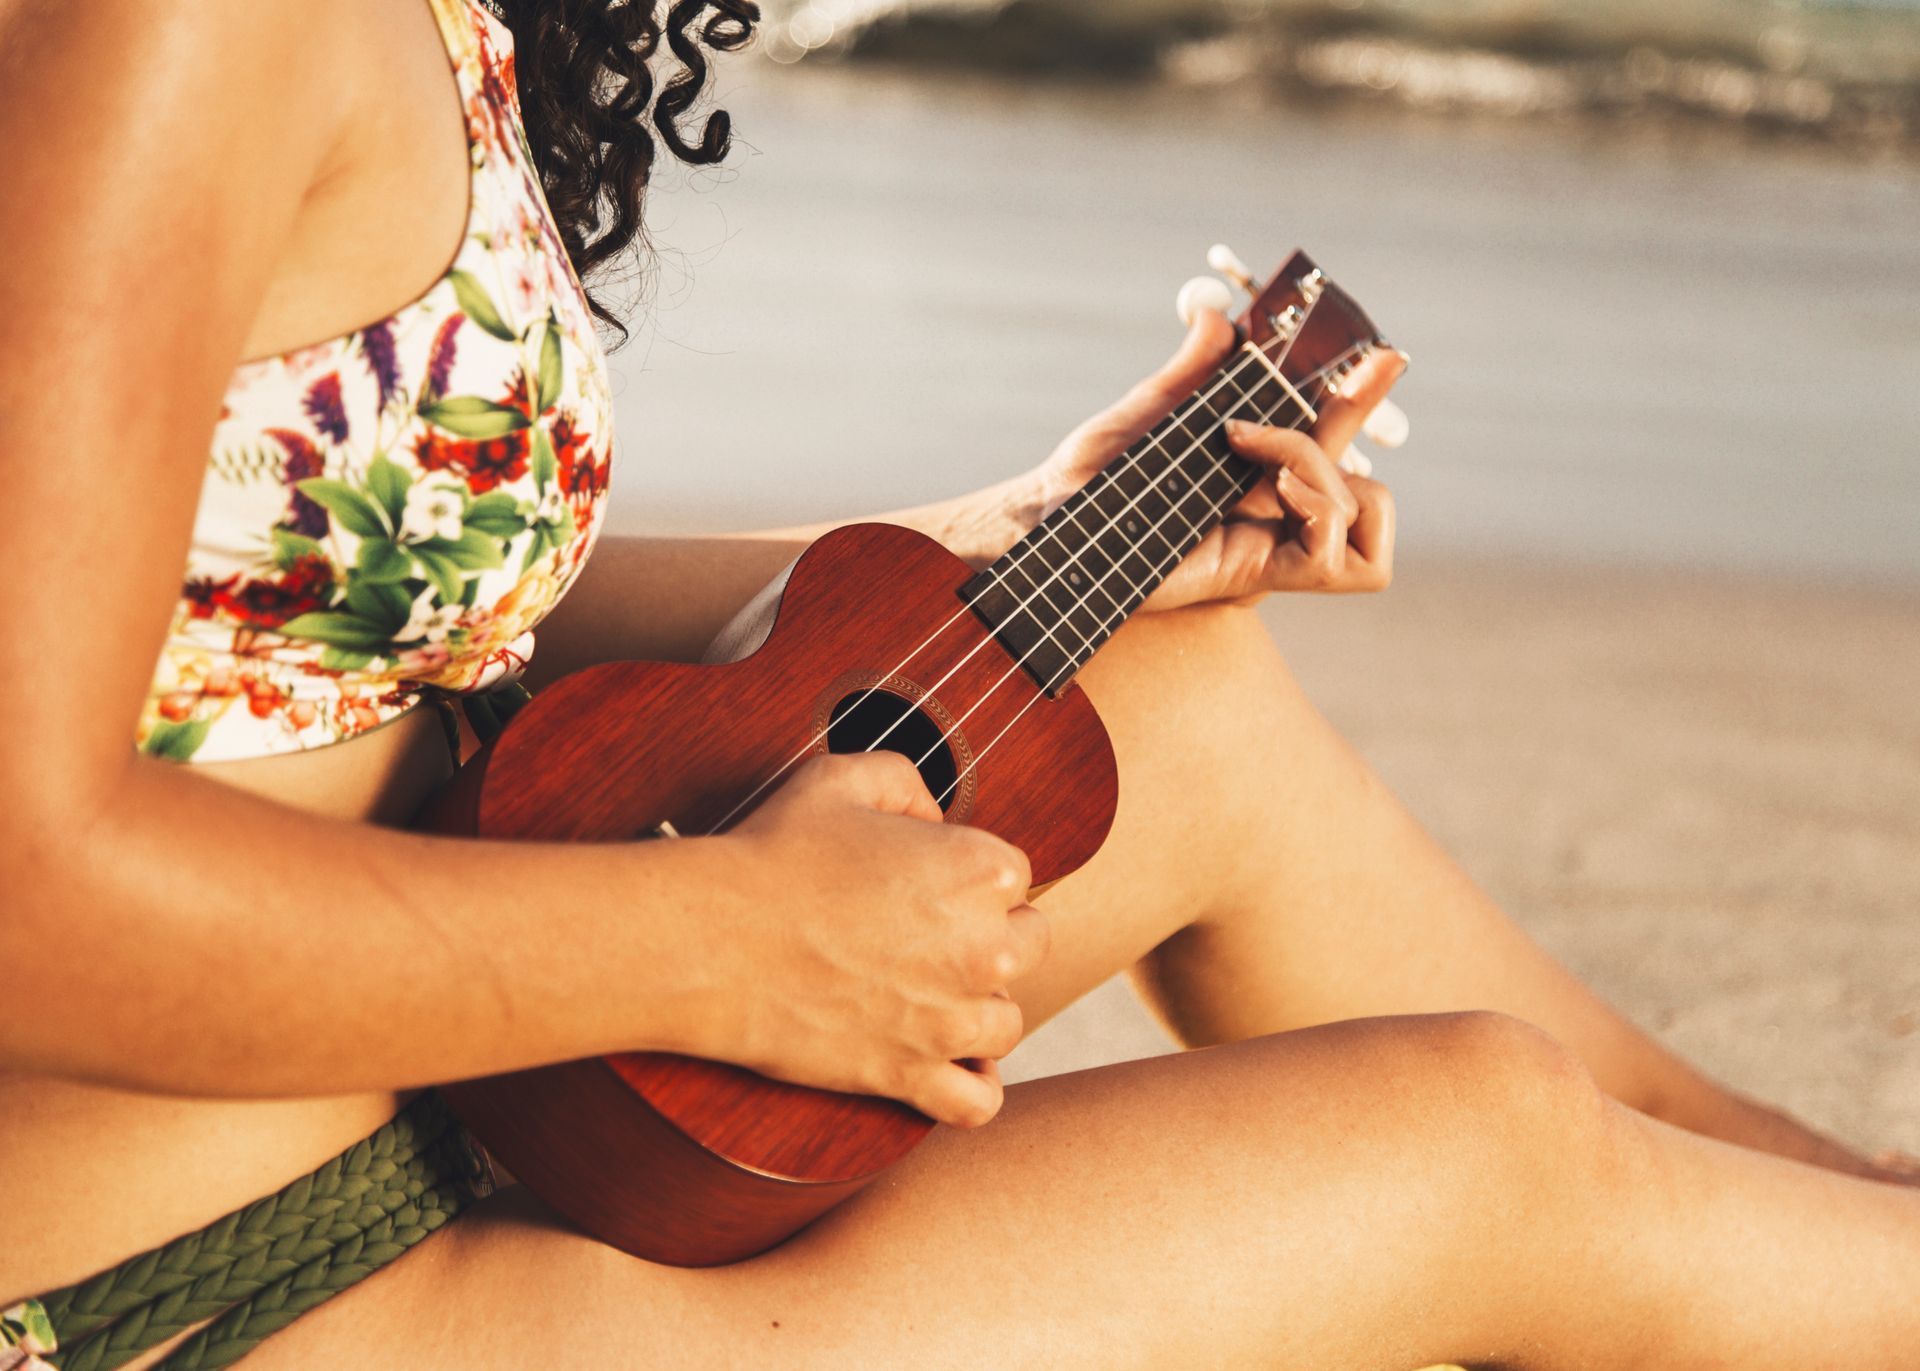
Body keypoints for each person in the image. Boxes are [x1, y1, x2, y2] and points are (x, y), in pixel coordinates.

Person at [2, 2, 1914, 1367]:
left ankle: (1822, 1195)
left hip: (445, 1086)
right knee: (1476, 1152)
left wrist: (1005, 535)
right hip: (208, 1294)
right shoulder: (174, 23)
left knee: (1188, 717)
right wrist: (728, 943)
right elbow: (28, 894)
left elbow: (315, 594)